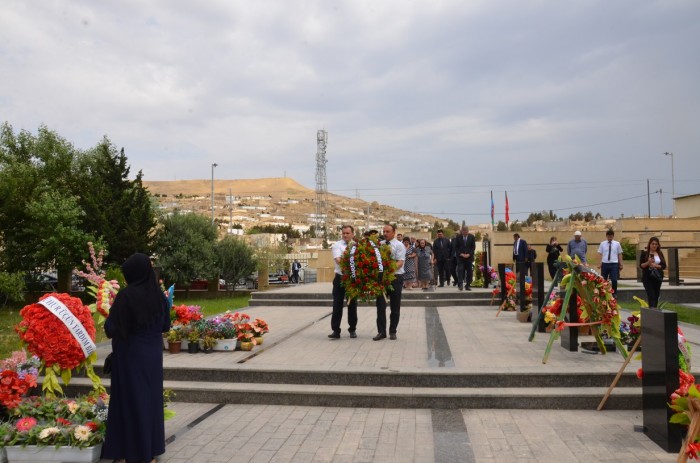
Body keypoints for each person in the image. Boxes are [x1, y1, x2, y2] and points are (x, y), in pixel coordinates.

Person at [102, 253, 170, 463]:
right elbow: (165, 326)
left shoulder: (126, 296)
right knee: (149, 401)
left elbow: (111, 329)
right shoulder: (159, 297)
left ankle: (127, 452)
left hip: (130, 356)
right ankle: (149, 450)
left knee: (129, 402)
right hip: (152, 358)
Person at [374, 224, 405, 341]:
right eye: (384, 231)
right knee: (380, 306)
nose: (385, 233)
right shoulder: (380, 245)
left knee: (395, 306)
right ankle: (381, 332)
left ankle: (393, 331)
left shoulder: (399, 245)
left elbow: (399, 263)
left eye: (387, 231)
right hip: (382, 279)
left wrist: (387, 270)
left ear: (394, 232)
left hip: (395, 278)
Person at [329, 225, 358, 339]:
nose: (345, 235)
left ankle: (352, 329)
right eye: (344, 233)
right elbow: (338, 259)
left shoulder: (357, 246)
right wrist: (349, 266)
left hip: (352, 278)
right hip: (340, 278)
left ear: (352, 234)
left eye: (347, 233)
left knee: (352, 304)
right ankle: (336, 331)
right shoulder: (337, 245)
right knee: (337, 304)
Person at [640, 236, 666, 308]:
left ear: (658, 245)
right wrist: (648, 262)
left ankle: (655, 312)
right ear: (649, 244)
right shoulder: (644, 254)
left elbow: (664, 266)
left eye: (656, 244)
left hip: (657, 277)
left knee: (656, 295)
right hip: (647, 278)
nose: (654, 245)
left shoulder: (660, 254)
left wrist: (656, 266)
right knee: (651, 296)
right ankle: (652, 311)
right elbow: (641, 265)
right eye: (652, 244)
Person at [597, 229, 624, 294]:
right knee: (604, 280)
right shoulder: (602, 244)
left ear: (613, 236)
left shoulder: (617, 244)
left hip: (614, 264)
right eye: (608, 236)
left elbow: (619, 254)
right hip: (605, 264)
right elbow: (600, 254)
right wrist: (599, 263)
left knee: (614, 280)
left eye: (611, 236)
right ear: (606, 236)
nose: (610, 238)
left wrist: (621, 264)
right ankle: (603, 293)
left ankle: (614, 293)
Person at [453, 226, 476, 291]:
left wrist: (469, 254)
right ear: (462, 231)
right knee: (460, 270)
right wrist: (461, 254)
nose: (465, 232)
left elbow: (473, 247)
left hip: (469, 257)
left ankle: (468, 285)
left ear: (468, 231)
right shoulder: (458, 237)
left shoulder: (472, 237)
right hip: (460, 257)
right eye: (464, 231)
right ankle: (460, 285)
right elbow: (456, 247)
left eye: (466, 231)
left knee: (469, 272)